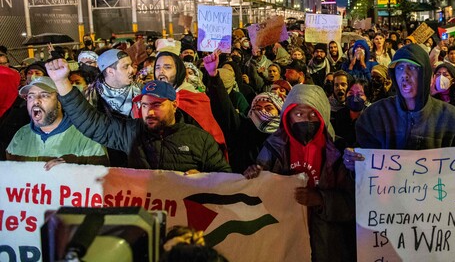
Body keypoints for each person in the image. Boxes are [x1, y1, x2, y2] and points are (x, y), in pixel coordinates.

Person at [45, 59, 231, 173]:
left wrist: (204, 179)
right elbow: (91, 123)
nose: (149, 111)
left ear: (174, 105)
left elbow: (225, 178)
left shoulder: (199, 138)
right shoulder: (130, 131)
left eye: (157, 105)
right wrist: (61, 82)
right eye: (144, 105)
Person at [244, 85, 355, 262]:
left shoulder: (339, 152)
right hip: (285, 241)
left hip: (327, 245)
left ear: (323, 116)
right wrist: (253, 175)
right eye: (299, 114)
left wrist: (321, 199)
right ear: (287, 116)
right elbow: (256, 196)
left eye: (312, 115)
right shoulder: (273, 148)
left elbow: (351, 204)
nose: (306, 120)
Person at [344, 43, 455, 167]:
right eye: (400, 68)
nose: (405, 75)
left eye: (412, 68)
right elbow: (364, 172)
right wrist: (354, 163)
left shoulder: (454, 120)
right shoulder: (374, 116)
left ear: (426, 75)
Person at [6, 76, 108, 166]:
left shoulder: (87, 136)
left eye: (44, 95)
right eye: (30, 96)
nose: (36, 100)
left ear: (60, 101)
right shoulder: (21, 135)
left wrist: (73, 172)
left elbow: (103, 181)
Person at [332, 79, 370, 147]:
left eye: (359, 94)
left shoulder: (370, 119)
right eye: (351, 93)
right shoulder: (340, 115)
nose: (355, 98)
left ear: (366, 97)